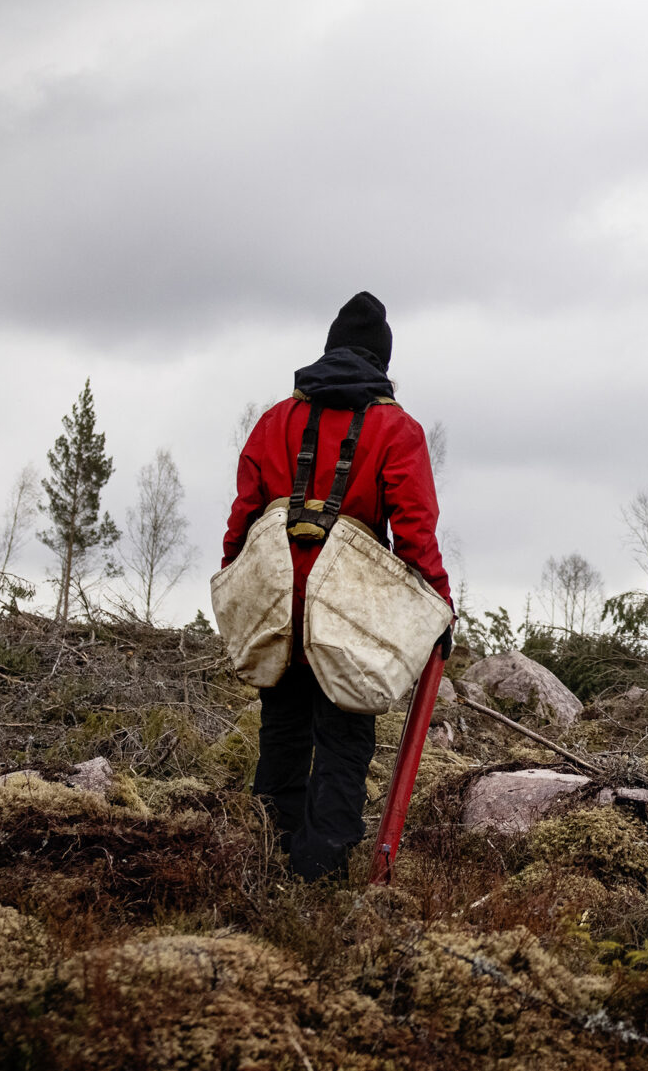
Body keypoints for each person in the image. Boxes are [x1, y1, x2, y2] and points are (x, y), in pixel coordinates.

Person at [223, 291, 451, 879]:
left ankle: (271, 862)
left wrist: (240, 593)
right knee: (345, 742)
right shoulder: (396, 429)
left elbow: (242, 522)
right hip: (350, 614)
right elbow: (415, 532)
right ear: (382, 363)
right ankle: (319, 877)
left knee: (282, 733)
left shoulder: (275, 420)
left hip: (280, 609)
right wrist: (438, 608)